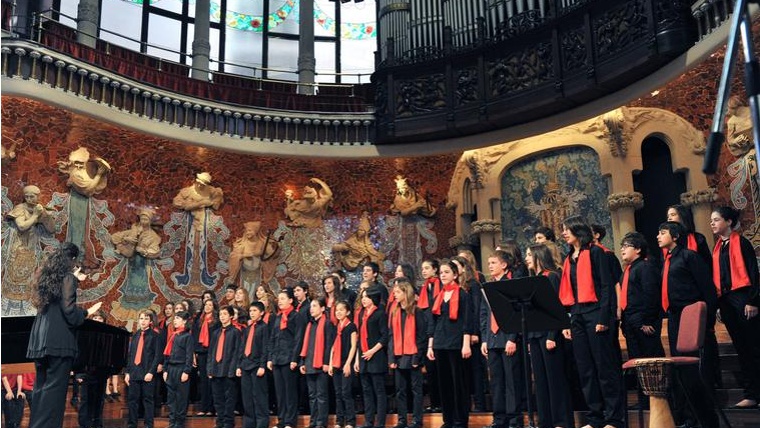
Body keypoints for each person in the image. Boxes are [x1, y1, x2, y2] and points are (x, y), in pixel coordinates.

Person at [26, 242, 102, 428]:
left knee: (41, 390)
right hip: (58, 343)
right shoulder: (68, 278)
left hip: (40, 342)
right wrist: (86, 312)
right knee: (54, 393)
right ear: (73, 260)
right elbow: (69, 312)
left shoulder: (46, 279)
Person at [559, 215, 624, 428]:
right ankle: (595, 418)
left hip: (596, 314)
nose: (563, 233)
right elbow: (569, 293)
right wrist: (567, 322)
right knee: (585, 369)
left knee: (604, 369)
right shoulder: (569, 258)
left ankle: (614, 418)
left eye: (566, 229)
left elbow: (607, 287)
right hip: (577, 316)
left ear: (578, 230)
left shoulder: (597, 253)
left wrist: (604, 317)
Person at [657, 221, 719, 427]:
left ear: (675, 236)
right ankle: (689, 419)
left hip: (692, 316)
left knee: (695, 372)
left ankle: (706, 420)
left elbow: (708, 289)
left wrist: (707, 322)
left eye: (663, 232)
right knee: (681, 369)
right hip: (675, 318)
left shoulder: (689, 256)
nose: (658, 236)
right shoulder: (667, 260)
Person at [710, 207, 760, 408]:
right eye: (711, 220)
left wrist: (753, 301)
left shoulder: (743, 244)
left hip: (743, 298)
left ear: (729, 221)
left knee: (754, 347)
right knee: (742, 349)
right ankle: (752, 393)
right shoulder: (719, 247)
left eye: (716, 219)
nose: (712, 223)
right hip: (727, 300)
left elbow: (754, 274)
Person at [524, 244, 573, 428]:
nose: (526, 258)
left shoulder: (551, 276)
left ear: (538, 256)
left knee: (555, 380)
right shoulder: (533, 279)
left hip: (549, 335)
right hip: (535, 336)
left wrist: (552, 335)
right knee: (541, 382)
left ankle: (561, 421)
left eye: (529, 254)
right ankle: (545, 422)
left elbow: (556, 308)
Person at [481, 251, 527, 428]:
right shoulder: (488, 286)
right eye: (489, 262)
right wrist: (485, 339)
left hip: (507, 339)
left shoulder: (510, 285)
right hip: (492, 340)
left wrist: (512, 338)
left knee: (511, 382)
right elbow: (484, 314)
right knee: (497, 382)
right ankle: (499, 419)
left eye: (493, 262)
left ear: (504, 265)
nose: (490, 265)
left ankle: (514, 419)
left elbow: (516, 313)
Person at [427, 259, 473, 428]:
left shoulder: (462, 294)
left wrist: (466, 343)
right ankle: (448, 420)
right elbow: (433, 322)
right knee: (444, 383)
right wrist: (431, 344)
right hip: (440, 343)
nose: (443, 275)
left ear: (455, 274)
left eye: (447, 272)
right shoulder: (438, 296)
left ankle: (460, 420)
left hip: (456, 343)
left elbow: (467, 320)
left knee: (458, 383)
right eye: (441, 273)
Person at [388, 279, 429, 428]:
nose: (395, 295)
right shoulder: (395, 311)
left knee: (416, 390)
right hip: (399, 356)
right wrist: (391, 357)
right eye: (394, 293)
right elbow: (391, 336)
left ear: (406, 292)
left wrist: (417, 357)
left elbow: (421, 337)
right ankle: (402, 420)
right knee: (400, 390)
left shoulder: (417, 311)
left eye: (398, 292)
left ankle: (417, 420)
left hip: (413, 356)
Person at [618, 232, 664, 360]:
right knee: (636, 359)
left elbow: (652, 295)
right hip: (630, 320)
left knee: (650, 357)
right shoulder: (628, 270)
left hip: (643, 320)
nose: (622, 249)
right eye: (622, 246)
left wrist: (648, 320)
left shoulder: (645, 266)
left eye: (626, 246)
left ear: (638, 249)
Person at [267, 288, 306, 428]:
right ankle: (282, 420)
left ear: (291, 300)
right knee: (280, 392)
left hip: (289, 359)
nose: (280, 301)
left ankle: (290, 421)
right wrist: (270, 358)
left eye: (283, 298)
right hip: (277, 359)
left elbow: (298, 339)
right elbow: (272, 338)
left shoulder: (296, 316)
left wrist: (295, 358)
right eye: (279, 298)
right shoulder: (278, 317)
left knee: (290, 392)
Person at [354, 288, 388, 428]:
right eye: (362, 297)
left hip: (376, 356)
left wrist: (372, 351)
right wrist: (357, 358)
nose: (364, 299)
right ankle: (368, 421)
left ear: (373, 298)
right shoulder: (361, 313)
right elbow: (358, 338)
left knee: (379, 391)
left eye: (367, 297)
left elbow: (384, 336)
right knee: (366, 391)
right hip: (363, 356)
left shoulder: (379, 314)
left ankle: (380, 423)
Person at [300, 298, 335, 428]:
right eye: (311, 306)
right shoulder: (310, 324)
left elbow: (329, 344)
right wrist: (303, 361)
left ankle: (321, 423)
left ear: (322, 309)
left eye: (314, 306)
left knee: (321, 395)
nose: (311, 309)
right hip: (309, 363)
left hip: (321, 364)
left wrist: (326, 362)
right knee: (312, 395)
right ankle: (313, 421)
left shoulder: (327, 323)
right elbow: (306, 345)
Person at [125, 310, 162, 428]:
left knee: (148, 400)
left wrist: (151, 372)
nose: (143, 321)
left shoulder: (155, 336)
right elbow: (130, 355)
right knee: (132, 401)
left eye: (146, 319)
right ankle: (132, 424)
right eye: (141, 318)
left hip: (147, 373)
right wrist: (127, 372)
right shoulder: (135, 335)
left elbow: (157, 356)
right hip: (134, 373)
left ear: (150, 321)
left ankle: (148, 425)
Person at [208, 306, 243, 428]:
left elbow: (238, 352)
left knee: (229, 398)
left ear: (231, 316)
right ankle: (220, 421)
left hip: (229, 370)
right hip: (216, 369)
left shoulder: (236, 332)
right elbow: (212, 352)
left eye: (225, 314)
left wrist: (234, 368)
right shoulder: (216, 333)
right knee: (218, 398)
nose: (222, 316)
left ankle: (228, 422)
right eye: (221, 314)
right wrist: (210, 369)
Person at [238, 302, 271, 428]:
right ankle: (249, 424)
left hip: (257, 366)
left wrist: (262, 365)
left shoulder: (264, 327)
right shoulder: (248, 329)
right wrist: (239, 365)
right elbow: (242, 348)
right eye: (250, 310)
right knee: (247, 397)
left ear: (261, 313)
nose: (251, 313)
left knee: (259, 397)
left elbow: (265, 347)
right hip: (246, 365)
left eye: (255, 310)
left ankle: (261, 424)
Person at [76, 311, 110, 428]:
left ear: (104, 321)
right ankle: (84, 425)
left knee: (99, 401)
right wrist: (79, 374)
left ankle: (97, 424)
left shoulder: (107, 337)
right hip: (86, 373)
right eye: (95, 318)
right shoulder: (85, 335)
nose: (97, 320)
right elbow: (79, 355)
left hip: (101, 373)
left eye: (100, 318)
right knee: (85, 401)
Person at [417, 258, 441, 413]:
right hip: (427, 333)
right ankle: (434, 403)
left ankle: (442, 403)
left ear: (435, 270)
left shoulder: (439, 285)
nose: (424, 271)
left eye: (427, 268)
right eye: (422, 268)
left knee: (440, 372)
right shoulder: (424, 288)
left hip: (439, 333)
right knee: (431, 372)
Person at [329, 300, 358, 428]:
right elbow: (333, 347)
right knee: (338, 393)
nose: (338, 312)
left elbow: (353, 346)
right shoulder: (336, 327)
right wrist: (330, 363)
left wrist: (348, 363)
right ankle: (339, 420)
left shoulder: (351, 326)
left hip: (346, 362)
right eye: (337, 310)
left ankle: (350, 421)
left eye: (341, 310)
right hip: (336, 363)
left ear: (348, 312)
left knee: (346, 393)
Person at [194, 298, 219, 416]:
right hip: (202, 352)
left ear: (214, 307)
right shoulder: (199, 320)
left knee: (211, 380)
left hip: (212, 352)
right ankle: (203, 407)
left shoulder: (217, 320)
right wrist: (194, 353)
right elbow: (194, 337)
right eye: (206, 304)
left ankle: (211, 408)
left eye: (210, 305)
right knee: (203, 381)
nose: (207, 306)